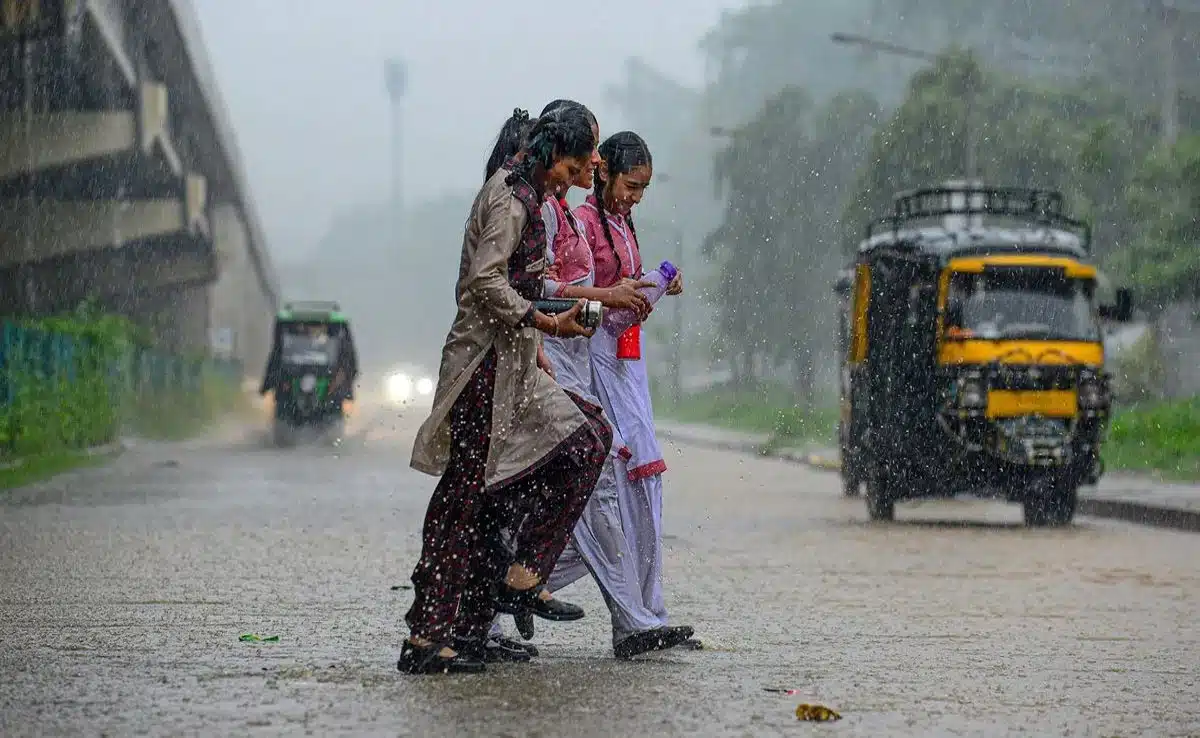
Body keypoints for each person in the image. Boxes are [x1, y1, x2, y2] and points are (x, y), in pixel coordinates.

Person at [399, 104, 612, 675]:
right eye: (577, 161)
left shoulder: (533, 198)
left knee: (583, 442)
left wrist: (580, 304)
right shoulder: (511, 198)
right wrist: (547, 324)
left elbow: (525, 279)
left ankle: (509, 588)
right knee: (466, 499)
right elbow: (484, 281)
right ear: (553, 155)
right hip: (482, 367)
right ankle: (429, 636)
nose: (584, 170)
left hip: (515, 364)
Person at [573, 131, 695, 653]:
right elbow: (567, 294)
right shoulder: (578, 223)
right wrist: (617, 296)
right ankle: (632, 618)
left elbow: (621, 292)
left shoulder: (622, 223)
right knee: (608, 489)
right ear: (601, 172)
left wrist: (654, 284)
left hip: (627, 362)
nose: (635, 196)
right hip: (592, 361)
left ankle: (648, 613)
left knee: (644, 486)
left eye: (643, 189)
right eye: (630, 185)